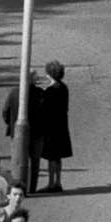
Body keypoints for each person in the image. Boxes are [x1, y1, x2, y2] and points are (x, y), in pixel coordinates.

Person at [36, 61, 72, 193]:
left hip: (51, 127)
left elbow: (43, 109)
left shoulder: (50, 91)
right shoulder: (64, 87)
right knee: (58, 156)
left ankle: (51, 184)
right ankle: (58, 182)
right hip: (62, 125)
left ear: (49, 74)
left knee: (51, 156)